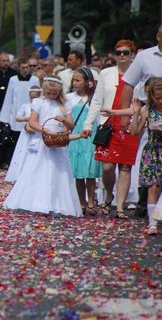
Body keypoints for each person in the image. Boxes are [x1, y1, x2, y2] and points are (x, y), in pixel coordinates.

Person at [3, 75, 83, 216]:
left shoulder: (64, 105)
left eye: (55, 93)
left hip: (58, 142)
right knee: (37, 171)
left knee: (58, 173)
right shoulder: (38, 102)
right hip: (42, 141)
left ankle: (57, 204)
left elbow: (72, 124)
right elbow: (32, 122)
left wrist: (64, 120)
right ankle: (36, 202)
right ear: (44, 91)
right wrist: (44, 130)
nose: (52, 96)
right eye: (49, 93)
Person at [82, 40, 141, 219]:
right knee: (107, 167)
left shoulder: (140, 74)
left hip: (130, 122)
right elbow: (97, 101)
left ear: (132, 54)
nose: (121, 55)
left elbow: (143, 101)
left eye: (125, 52)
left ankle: (120, 207)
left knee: (125, 167)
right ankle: (109, 194)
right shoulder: (106, 73)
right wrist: (87, 124)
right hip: (108, 123)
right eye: (118, 52)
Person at [129, 78, 162, 235]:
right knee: (153, 186)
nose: (160, 101)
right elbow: (134, 132)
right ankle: (152, 222)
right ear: (152, 97)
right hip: (152, 151)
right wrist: (137, 112)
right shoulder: (148, 111)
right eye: (157, 98)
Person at [66, 67, 101, 215]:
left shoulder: (95, 98)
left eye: (78, 80)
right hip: (76, 137)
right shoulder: (69, 98)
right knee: (78, 173)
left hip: (90, 137)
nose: (74, 83)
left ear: (88, 82)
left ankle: (91, 201)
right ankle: (82, 202)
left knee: (90, 172)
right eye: (73, 80)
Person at [0, 58, 41, 152]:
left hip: (31, 113)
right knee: (16, 140)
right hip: (17, 113)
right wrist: (6, 118)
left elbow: (38, 98)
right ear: (19, 68)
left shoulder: (35, 80)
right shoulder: (13, 80)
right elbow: (8, 98)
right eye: (23, 67)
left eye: (27, 67)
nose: (25, 69)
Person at [5, 85, 42, 182]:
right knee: (24, 151)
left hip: (36, 133)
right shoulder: (25, 106)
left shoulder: (40, 106)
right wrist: (26, 119)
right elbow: (17, 117)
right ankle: (19, 174)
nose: (33, 99)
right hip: (26, 133)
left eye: (35, 97)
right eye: (31, 97)